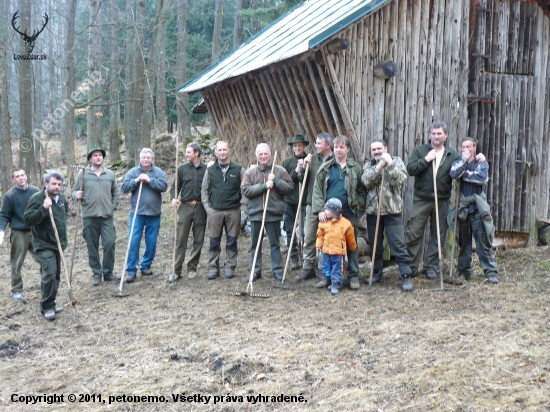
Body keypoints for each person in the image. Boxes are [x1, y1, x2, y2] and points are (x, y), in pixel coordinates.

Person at [405, 120, 462, 280]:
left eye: (439, 134)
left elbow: (463, 167)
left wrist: (476, 158)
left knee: (439, 234)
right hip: (422, 199)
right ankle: (411, 267)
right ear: (430, 134)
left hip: (442, 199)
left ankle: (430, 266)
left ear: (446, 135)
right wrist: (426, 160)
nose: (436, 136)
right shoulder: (420, 150)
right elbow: (411, 169)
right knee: (415, 232)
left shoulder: (452, 154)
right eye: (433, 133)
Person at [312, 135, 367, 290]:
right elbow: (317, 191)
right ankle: (326, 277)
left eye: (342, 147)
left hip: (349, 214)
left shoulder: (355, 168)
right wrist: (321, 210)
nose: (338, 150)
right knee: (326, 245)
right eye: (336, 147)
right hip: (328, 217)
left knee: (352, 244)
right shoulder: (326, 168)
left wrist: (359, 205)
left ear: (347, 149)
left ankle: (353, 276)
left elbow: (362, 190)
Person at [361, 139, 413, 292]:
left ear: (386, 148)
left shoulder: (396, 161)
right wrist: (378, 167)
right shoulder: (368, 165)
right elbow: (365, 181)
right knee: (375, 245)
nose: (376, 152)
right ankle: (376, 273)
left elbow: (401, 180)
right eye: (373, 150)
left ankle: (405, 275)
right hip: (373, 212)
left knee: (398, 245)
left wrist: (389, 164)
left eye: (379, 148)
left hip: (392, 211)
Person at [449, 137, 499, 284]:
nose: (465, 150)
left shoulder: (481, 163)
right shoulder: (458, 162)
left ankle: (490, 272)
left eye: (468, 147)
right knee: (464, 243)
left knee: (483, 242)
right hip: (463, 208)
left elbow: (481, 178)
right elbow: (453, 174)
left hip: (477, 208)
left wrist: (463, 174)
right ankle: (464, 272)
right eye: (463, 147)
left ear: (474, 148)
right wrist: (463, 163)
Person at [241, 143, 293, 281]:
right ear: (256, 156)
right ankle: (255, 271)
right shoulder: (250, 173)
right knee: (255, 244)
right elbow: (245, 190)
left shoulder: (280, 170)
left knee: (274, 244)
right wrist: (264, 186)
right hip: (256, 213)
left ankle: (277, 270)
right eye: (260, 154)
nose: (263, 156)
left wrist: (275, 180)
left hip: (273, 213)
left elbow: (289, 188)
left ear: (270, 155)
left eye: (266, 154)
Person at [23, 172, 68, 321]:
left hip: (57, 244)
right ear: (46, 184)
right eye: (54, 184)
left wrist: (63, 240)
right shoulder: (37, 198)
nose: (57, 187)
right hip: (43, 243)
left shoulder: (61, 198)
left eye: (59, 184)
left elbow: (62, 218)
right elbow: (28, 219)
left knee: (55, 275)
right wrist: (43, 208)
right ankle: (47, 307)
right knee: (49, 273)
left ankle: (52, 303)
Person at [73, 146, 120, 286]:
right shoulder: (83, 174)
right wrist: (76, 195)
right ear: (90, 159)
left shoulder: (110, 174)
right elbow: (74, 190)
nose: (98, 157)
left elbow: (116, 193)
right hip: (89, 216)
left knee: (110, 244)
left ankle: (108, 272)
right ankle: (96, 274)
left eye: (100, 155)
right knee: (92, 246)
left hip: (106, 216)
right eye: (95, 155)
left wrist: (112, 207)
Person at [121, 148, 168, 282]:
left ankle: (146, 266)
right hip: (137, 214)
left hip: (154, 214)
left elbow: (164, 187)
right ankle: (131, 270)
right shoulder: (133, 172)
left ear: (152, 159)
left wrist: (149, 180)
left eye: (148, 157)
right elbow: (124, 188)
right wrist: (135, 181)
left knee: (151, 242)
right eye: (144, 157)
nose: (146, 160)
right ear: (140, 158)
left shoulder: (158, 172)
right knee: (133, 242)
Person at [201, 141, 245, 280]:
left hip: (233, 210)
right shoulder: (210, 170)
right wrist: (207, 207)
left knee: (232, 240)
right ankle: (213, 268)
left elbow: (244, 189)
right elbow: (204, 189)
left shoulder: (238, 169)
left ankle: (230, 267)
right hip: (215, 210)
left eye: (224, 149)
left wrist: (242, 208)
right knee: (214, 240)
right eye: (219, 150)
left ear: (229, 151)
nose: (222, 152)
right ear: (216, 152)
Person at [296, 132, 334, 282]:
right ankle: (308, 267)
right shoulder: (312, 159)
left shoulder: (335, 161)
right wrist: (303, 166)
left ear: (328, 145)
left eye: (319, 143)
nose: (316, 145)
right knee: (309, 236)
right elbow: (301, 179)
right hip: (312, 206)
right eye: (316, 143)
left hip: (329, 208)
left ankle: (324, 269)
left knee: (326, 239)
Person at [0, 168, 39, 300]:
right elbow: (4, 215)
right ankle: (16, 289)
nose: (21, 178)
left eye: (22, 175)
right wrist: (1, 232)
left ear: (26, 176)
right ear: (13, 179)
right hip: (19, 233)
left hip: (35, 231)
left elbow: (42, 209)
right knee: (16, 262)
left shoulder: (35, 191)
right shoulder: (9, 196)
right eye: (17, 176)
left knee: (44, 258)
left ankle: (47, 284)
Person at [170, 143, 207, 281]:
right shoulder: (182, 169)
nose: (186, 154)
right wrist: (173, 198)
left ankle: (192, 267)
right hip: (184, 207)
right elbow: (175, 187)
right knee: (181, 240)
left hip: (201, 208)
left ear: (196, 153)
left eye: (188, 152)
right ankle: (176, 270)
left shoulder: (207, 169)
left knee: (198, 239)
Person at [316, 198, 357, 295]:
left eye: (327, 210)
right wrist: (319, 245)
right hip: (326, 251)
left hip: (338, 253)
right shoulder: (324, 222)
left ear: (335, 212)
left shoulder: (345, 224)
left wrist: (352, 247)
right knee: (329, 268)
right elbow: (320, 235)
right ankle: (331, 281)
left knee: (337, 269)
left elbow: (350, 238)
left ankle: (336, 284)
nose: (325, 211)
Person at [282, 135, 308, 270]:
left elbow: (307, 180)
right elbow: (285, 182)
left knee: (305, 231)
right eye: (295, 146)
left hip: (304, 201)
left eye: (300, 146)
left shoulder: (310, 161)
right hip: (290, 201)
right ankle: (293, 257)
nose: (297, 148)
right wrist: (296, 170)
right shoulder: (287, 163)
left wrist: (304, 167)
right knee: (290, 230)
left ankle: (306, 257)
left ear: (304, 146)